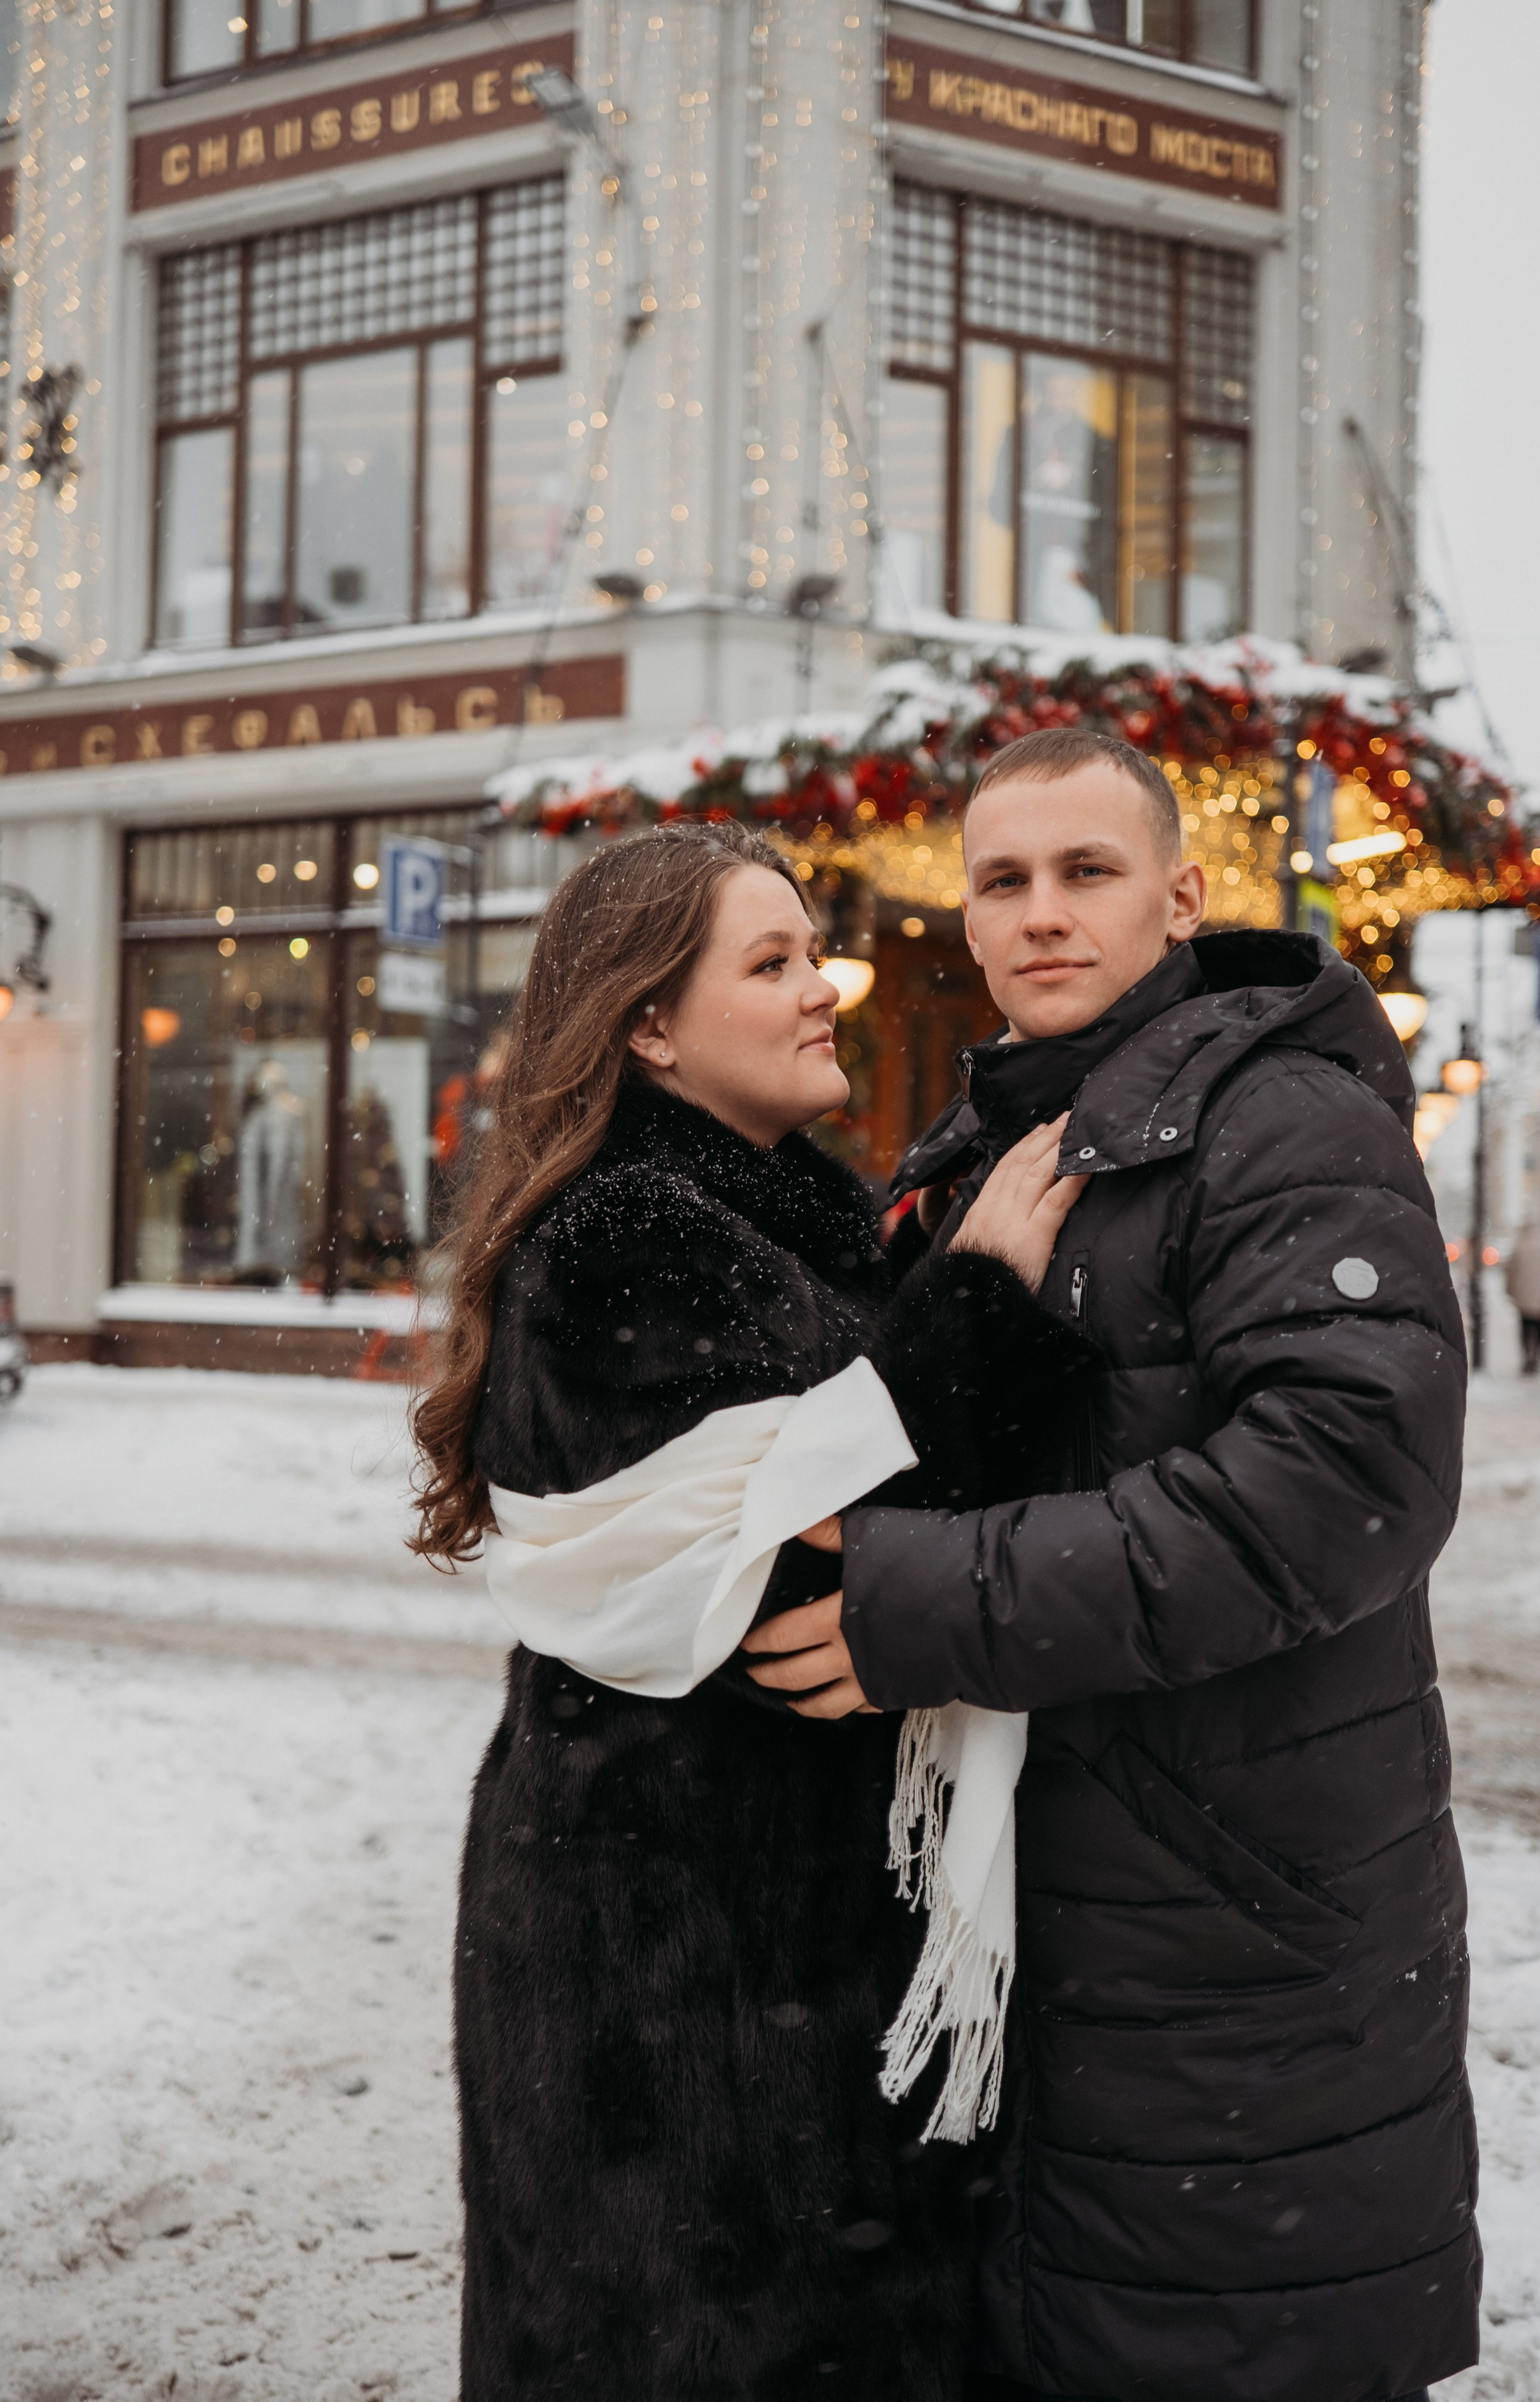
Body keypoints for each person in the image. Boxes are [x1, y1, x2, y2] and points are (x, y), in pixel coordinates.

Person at [748, 731, 1477, 2402]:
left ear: (1182, 894)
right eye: (1002, 881)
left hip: (1230, 1932)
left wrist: (926, 1606)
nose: (1042, 914)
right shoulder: (980, 1148)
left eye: (1088, 873)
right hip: (1057, 1918)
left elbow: (1347, 1483)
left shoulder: (1280, 1116)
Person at [410, 819, 1083, 2402]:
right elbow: (804, 1577)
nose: (820, 988)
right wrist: (977, 1305)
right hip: (680, 1990)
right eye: (768, 962)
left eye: (810, 951)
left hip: (761, 1966)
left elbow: (869, 1504)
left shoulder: (789, 1218)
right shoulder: (621, 1237)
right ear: (649, 1024)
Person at [1504, 1218, 1540, 1375]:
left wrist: (1511, 1291)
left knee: (1525, 1328)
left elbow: (1510, 1272)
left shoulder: (1520, 1248)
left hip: (1524, 1297)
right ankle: (1537, 1358)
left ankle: (1526, 1357)